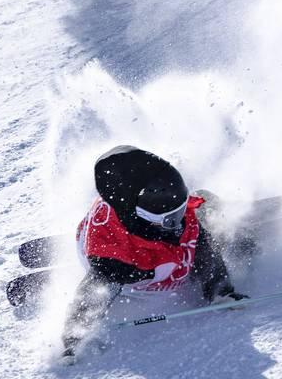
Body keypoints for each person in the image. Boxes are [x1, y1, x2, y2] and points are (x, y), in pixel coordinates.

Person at [61, 145, 247, 360]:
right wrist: (73, 341)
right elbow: (91, 297)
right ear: (143, 217)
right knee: (181, 246)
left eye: (181, 209)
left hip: (148, 232)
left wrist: (219, 289)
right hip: (129, 255)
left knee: (203, 212)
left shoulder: (174, 220)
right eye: (171, 219)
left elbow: (202, 248)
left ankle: (227, 230)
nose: (180, 224)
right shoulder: (116, 259)